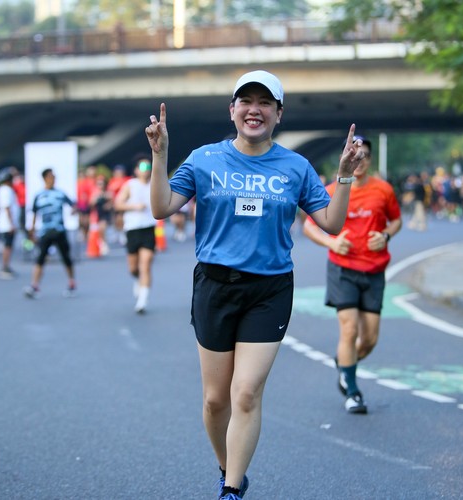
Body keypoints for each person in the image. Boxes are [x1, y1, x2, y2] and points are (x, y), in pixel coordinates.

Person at [145, 70, 366, 500]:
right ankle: (229, 466)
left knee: (245, 393)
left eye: (265, 103)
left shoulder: (295, 167)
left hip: (269, 290)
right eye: (246, 101)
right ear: (232, 110)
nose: (254, 110)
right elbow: (161, 207)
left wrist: (343, 175)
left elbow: (332, 223)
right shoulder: (205, 159)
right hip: (215, 287)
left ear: (278, 114)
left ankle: (231, 490)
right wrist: (160, 155)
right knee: (215, 400)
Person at [303, 135, 402, 414]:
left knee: (369, 340)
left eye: (364, 155)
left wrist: (385, 235)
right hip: (342, 268)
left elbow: (396, 220)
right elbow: (309, 226)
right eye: (353, 154)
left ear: (369, 160)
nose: (359, 160)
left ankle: (344, 364)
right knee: (349, 329)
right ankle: (353, 392)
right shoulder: (332, 190)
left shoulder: (383, 190)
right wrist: (331, 243)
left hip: (374, 270)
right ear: (345, 157)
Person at [23, 168, 77, 298]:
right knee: (40, 258)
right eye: (50, 177)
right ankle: (34, 285)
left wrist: (74, 211)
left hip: (59, 230)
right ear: (44, 178)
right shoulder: (39, 195)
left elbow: (73, 205)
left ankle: (71, 282)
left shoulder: (60, 193)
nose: (52, 179)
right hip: (45, 232)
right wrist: (32, 230)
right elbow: (34, 213)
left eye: (53, 177)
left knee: (66, 258)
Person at [114, 156, 157, 314]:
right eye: (143, 168)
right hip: (132, 229)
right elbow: (118, 204)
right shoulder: (130, 185)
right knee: (133, 268)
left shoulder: (155, 184)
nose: (146, 171)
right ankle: (137, 279)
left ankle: (142, 301)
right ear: (136, 170)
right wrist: (134, 206)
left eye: (148, 167)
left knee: (145, 265)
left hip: (148, 228)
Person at [0, 167, 20, 279]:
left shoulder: (4, 190)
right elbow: (7, 207)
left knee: (8, 246)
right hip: (6, 224)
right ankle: (5, 268)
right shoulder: (6, 190)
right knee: (7, 246)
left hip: (5, 224)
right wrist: (11, 224)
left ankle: (6, 266)